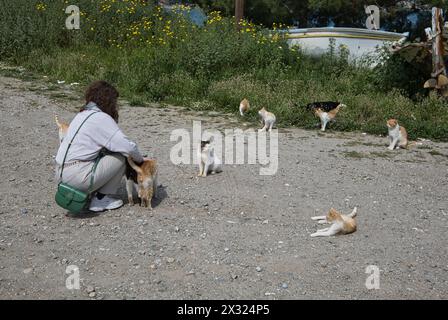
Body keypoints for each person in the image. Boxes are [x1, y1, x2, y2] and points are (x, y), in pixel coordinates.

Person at [55, 80, 144, 212]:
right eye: (114, 102)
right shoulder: (101, 118)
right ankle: (101, 200)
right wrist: (141, 160)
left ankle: (89, 189)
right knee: (121, 156)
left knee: (104, 152)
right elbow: (127, 147)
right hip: (77, 177)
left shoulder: (82, 114)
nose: (116, 106)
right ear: (108, 101)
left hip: (60, 174)